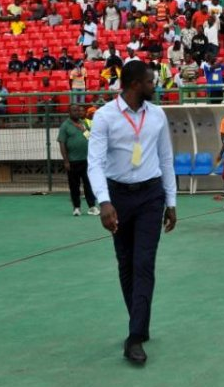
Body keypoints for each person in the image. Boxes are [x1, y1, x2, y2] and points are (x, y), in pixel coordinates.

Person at [87, 60, 178, 364]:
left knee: (143, 264)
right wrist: (104, 202)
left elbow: (166, 158)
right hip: (118, 198)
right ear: (135, 84)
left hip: (151, 196)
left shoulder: (158, 115)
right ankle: (139, 321)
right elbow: (95, 163)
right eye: (152, 81)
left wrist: (171, 201)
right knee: (125, 263)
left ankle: (135, 336)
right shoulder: (104, 117)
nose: (156, 86)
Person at [59, 104, 99, 216]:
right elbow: (62, 144)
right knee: (74, 186)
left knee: (89, 184)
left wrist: (84, 130)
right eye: (74, 110)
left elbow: (91, 138)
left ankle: (92, 207)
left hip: (87, 160)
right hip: (72, 161)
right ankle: (76, 208)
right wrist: (66, 161)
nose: (77, 112)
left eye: (78, 110)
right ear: (69, 112)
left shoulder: (85, 123)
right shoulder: (65, 126)